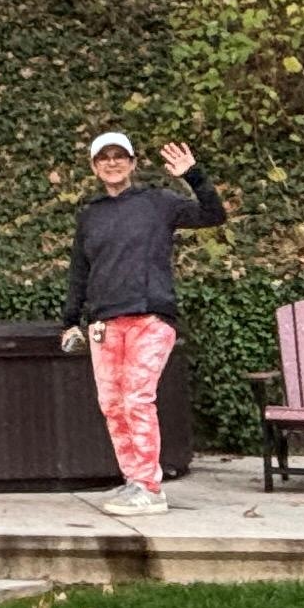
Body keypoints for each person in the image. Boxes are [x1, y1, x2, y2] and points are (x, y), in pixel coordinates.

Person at [61, 131, 225, 513]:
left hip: (150, 316)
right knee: (112, 404)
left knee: (137, 398)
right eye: (104, 157)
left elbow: (214, 215)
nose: (112, 162)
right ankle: (134, 479)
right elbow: (79, 272)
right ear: (94, 166)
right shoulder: (90, 215)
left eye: (120, 156)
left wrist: (194, 175)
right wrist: (71, 320)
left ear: (133, 164)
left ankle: (150, 489)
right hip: (104, 322)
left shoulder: (158, 203)